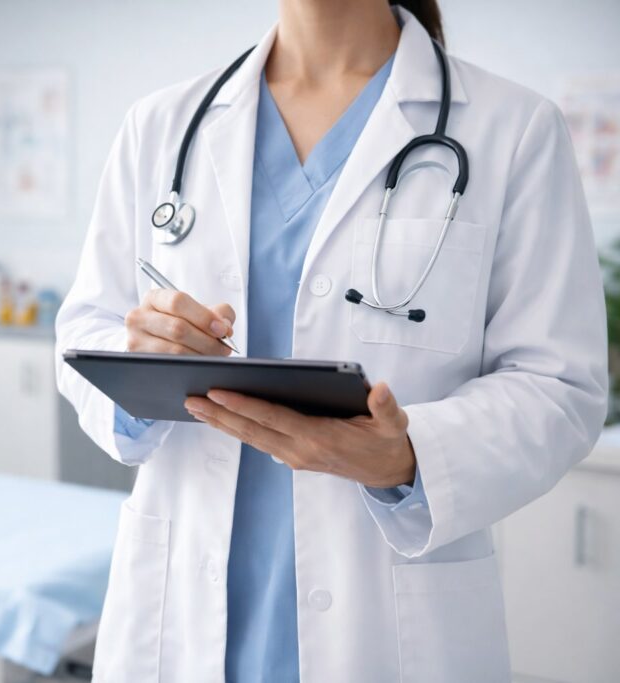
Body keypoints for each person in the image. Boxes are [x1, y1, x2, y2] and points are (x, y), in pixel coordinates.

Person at [55, 1, 608, 681]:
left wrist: (408, 456)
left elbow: (560, 386)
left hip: (387, 631)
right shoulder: (162, 127)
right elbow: (83, 333)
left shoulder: (512, 129)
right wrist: (142, 364)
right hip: (182, 621)